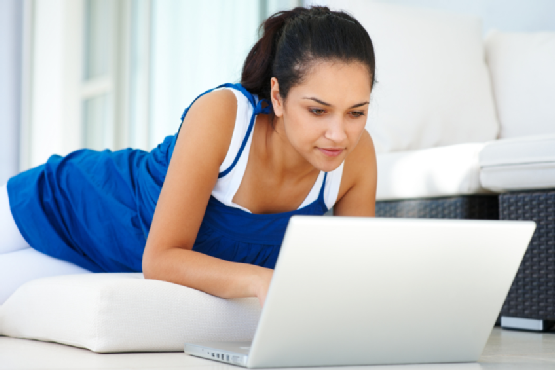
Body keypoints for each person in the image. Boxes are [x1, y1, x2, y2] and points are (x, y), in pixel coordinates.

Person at [0, 6, 377, 306]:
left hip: (113, 267)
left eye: (356, 112)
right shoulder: (224, 116)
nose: (339, 134)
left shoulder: (356, 159)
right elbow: (161, 257)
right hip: (65, 204)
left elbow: (353, 285)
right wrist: (259, 280)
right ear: (277, 96)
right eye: (317, 110)